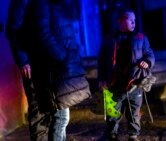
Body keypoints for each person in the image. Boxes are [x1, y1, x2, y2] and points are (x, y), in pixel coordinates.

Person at [7, 0, 91, 140]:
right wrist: (24, 60)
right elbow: (15, 30)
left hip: (50, 64)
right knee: (40, 112)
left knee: (57, 113)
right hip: (38, 65)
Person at [98, 9, 155, 141]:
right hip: (113, 84)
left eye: (134, 20)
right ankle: (112, 134)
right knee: (112, 113)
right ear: (120, 21)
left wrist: (147, 62)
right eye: (130, 19)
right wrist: (101, 79)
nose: (134, 22)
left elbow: (149, 54)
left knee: (134, 113)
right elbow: (101, 61)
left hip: (134, 83)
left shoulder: (141, 38)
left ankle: (133, 136)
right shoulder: (108, 39)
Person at [6, 0, 48, 140]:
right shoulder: (21, 2)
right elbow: (13, 30)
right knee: (37, 107)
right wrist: (23, 61)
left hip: (48, 59)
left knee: (53, 108)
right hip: (33, 62)